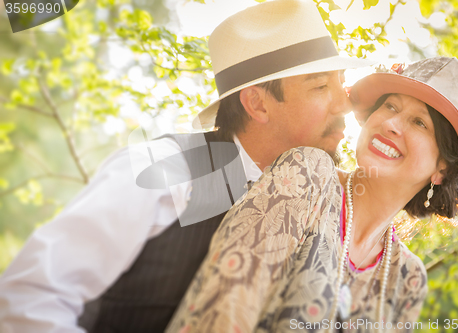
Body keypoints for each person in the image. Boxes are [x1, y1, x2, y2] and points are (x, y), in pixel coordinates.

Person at [0, 1, 373, 332]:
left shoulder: (327, 209)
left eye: (341, 83)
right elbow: (29, 299)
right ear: (257, 104)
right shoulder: (165, 169)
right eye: (320, 86)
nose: (345, 103)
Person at [164, 57, 458, 333]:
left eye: (420, 123)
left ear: (442, 170)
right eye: (390, 105)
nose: (392, 123)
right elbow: (225, 305)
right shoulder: (308, 174)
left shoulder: (408, 278)